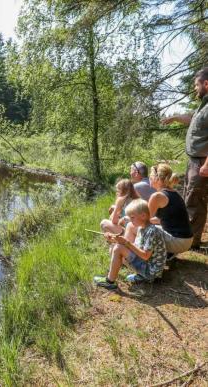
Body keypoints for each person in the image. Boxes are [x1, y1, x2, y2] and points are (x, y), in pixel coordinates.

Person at [161, 67, 208, 249]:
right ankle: (190, 237)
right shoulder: (204, 103)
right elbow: (194, 120)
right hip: (194, 161)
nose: (195, 88)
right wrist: (174, 118)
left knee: (194, 201)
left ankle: (192, 241)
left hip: (202, 162)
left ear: (206, 83)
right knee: (190, 196)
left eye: (197, 84)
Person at [94, 199, 167, 290]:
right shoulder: (142, 227)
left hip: (151, 272)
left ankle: (110, 282)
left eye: (132, 217)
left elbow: (145, 256)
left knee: (118, 248)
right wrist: (113, 239)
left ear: (143, 216)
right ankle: (142, 277)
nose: (130, 220)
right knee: (116, 247)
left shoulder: (152, 231)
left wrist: (126, 243)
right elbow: (135, 247)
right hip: (149, 266)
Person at [148, 163, 193, 254]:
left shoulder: (157, 196)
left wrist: (127, 219)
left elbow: (143, 220)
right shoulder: (173, 192)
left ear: (157, 178)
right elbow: (163, 219)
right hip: (186, 240)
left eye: (151, 175)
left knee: (134, 227)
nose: (149, 177)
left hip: (178, 242)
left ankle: (134, 257)